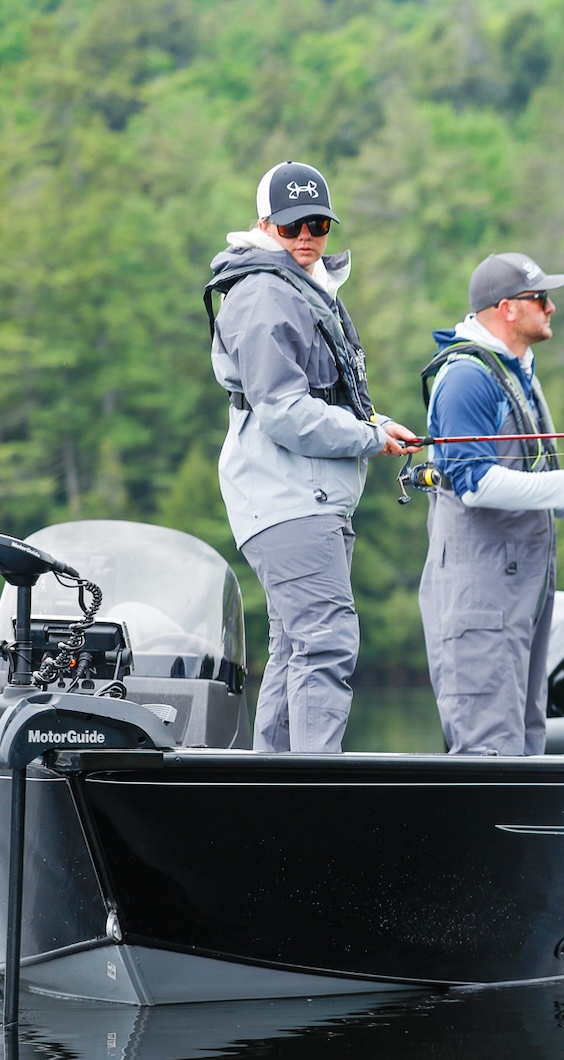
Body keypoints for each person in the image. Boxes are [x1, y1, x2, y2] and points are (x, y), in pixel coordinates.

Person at [205, 160, 419, 753]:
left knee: (296, 646)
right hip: (290, 501)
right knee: (325, 643)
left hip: (300, 501)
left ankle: (269, 790)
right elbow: (283, 411)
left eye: (319, 225)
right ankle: (311, 786)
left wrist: (376, 426)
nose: (306, 238)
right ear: (263, 225)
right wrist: (369, 437)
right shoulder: (265, 296)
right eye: (293, 225)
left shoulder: (299, 289)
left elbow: (320, 398)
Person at [420, 252, 564, 755]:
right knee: (489, 748)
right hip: (480, 595)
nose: (552, 308)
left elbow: (528, 474)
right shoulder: (467, 377)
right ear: (507, 309)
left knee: (526, 740)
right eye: (541, 298)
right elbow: (473, 484)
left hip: (522, 592)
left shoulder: (518, 372)